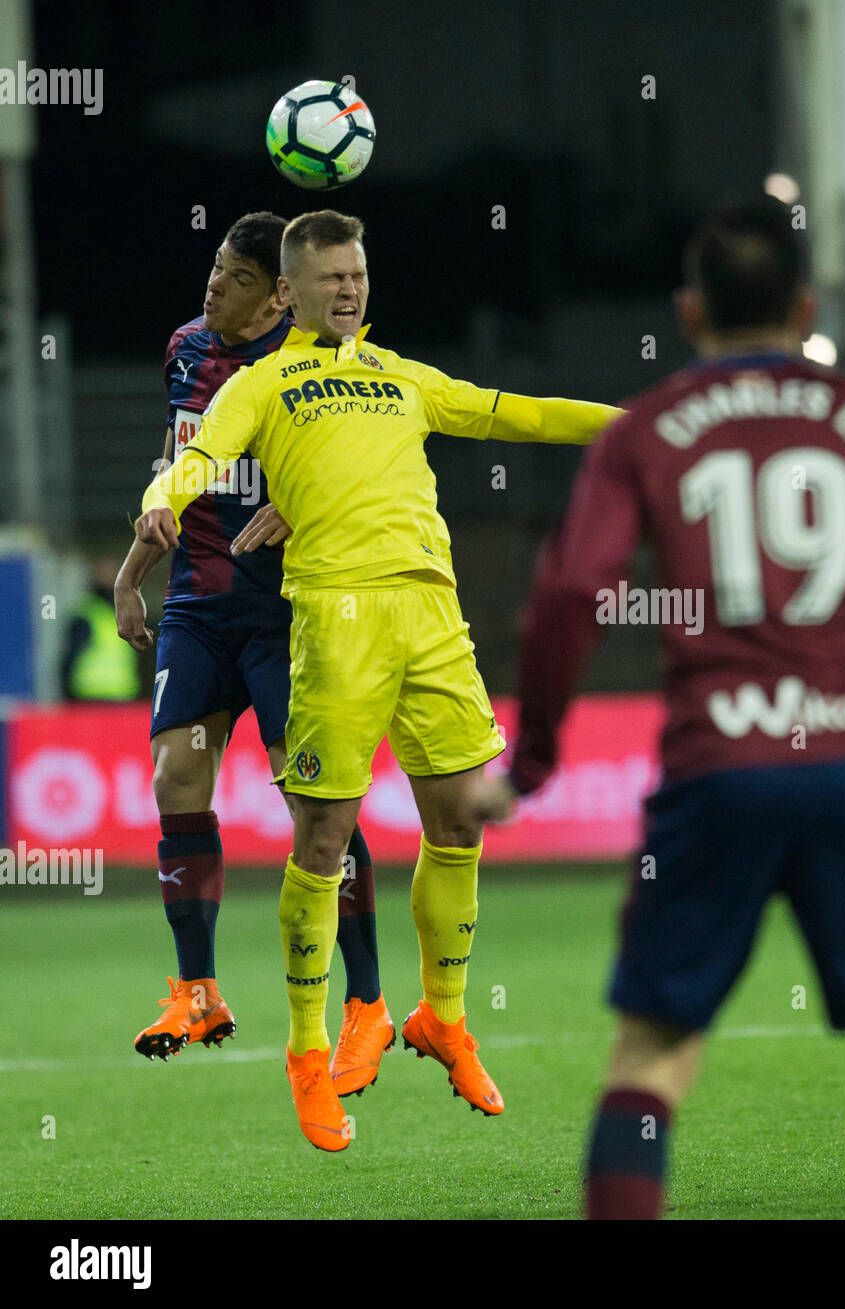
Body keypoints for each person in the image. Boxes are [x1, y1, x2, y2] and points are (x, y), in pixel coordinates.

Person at [469, 196, 845, 1219]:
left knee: (651, 1056)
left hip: (719, 770)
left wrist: (532, 762)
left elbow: (567, 594)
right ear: (805, 304)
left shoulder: (646, 431)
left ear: (689, 312)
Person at [134, 209, 621, 1151]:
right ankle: (310, 1058)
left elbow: (507, 411)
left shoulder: (404, 375)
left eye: (358, 275)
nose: (350, 290)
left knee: (460, 819)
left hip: (432, 620)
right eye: (332, 279)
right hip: (333, 623)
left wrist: (637, 428)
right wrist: (163, 499)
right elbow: (195, 455)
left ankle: (442, 1017)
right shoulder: (266, 384)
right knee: (321, 835)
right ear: (294, 292)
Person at [116, 212, 392, 1095]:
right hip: (198, 605)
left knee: (319, 805)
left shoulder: (318, 366)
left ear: (278, 291)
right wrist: (132, 575)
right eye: (212, 271)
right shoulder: (188, 349)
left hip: (286, 614)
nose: (212, 288)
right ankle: (196, 990)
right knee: (174, 780)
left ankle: (366, 1004)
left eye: (233, 277)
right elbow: (175, 458)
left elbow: (377, 479)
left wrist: (311, 506)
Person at [63, 557, 142, 702]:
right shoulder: (87, 614)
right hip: (90, 698)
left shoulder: (123, 614)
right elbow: (69, 659)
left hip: (122, 697)